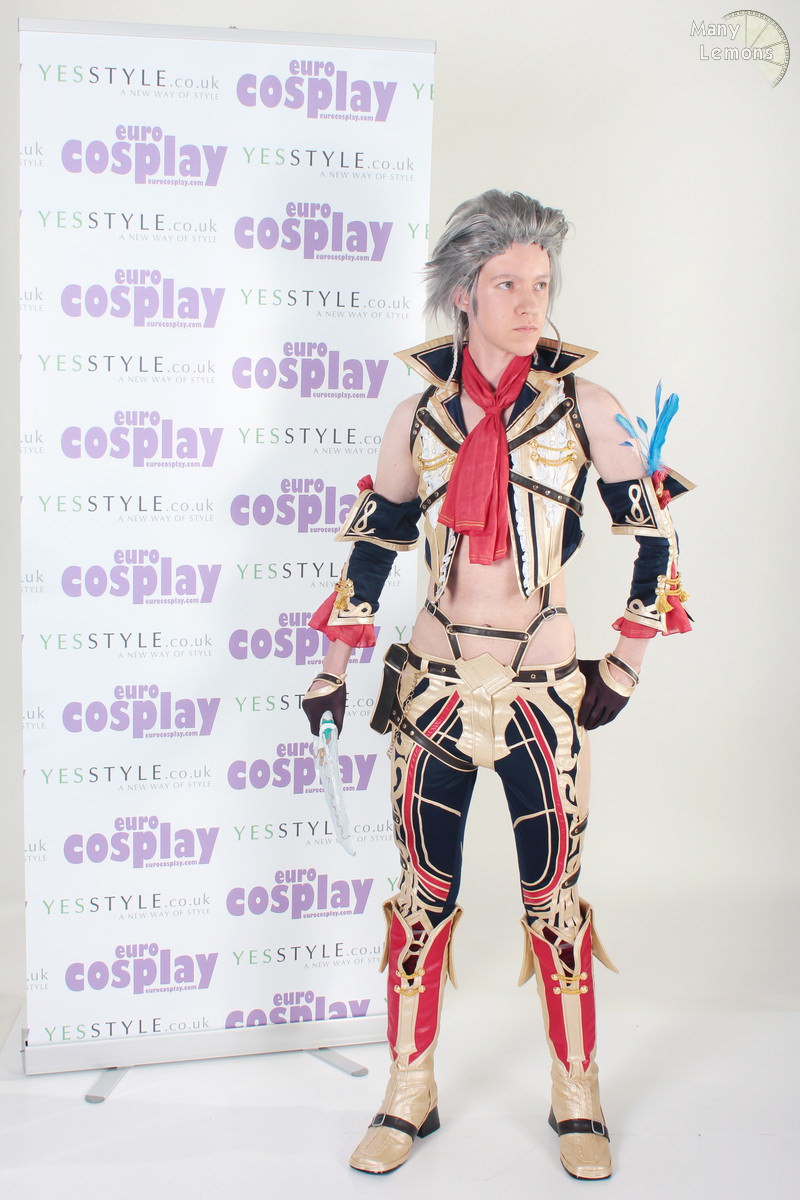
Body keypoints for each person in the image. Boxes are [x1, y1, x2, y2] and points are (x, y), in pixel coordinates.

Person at [302, 189, 692, 1180]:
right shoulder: (418, 418)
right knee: (420, 899)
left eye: (541, 284)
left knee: (554, 899)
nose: (529, 302)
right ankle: (408, 1090)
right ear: (462, 295)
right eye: (507, 283)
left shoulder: (586, 409)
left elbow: (653, 538)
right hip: (432, 689)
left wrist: (626, 660)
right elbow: (373, 552)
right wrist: (331, 668)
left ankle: (576, 1093)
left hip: (541, 690)